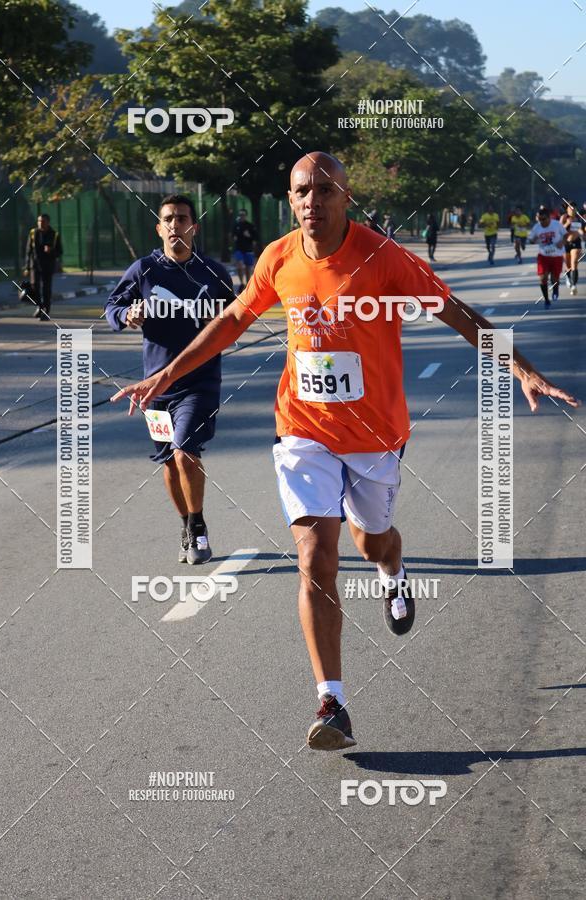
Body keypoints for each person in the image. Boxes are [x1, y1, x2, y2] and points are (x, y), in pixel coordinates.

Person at [112, 153, 578, 751]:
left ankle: (393, 570)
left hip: (376, 434)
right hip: (302, 429)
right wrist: (166, 375)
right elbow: (231, 321)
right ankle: (332, 700)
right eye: (302, 191)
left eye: (324, 190)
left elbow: (454, 311)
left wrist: (519, 366)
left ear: (345, 197)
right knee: (316, 552)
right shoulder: (278, 257)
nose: (312, 201)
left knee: (372, 537)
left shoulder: (384, 258)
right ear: (291, 199)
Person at [105, 194, 234, 564]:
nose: (175, 225)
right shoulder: (145, 269)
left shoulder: (213, 273)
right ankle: (187, 524)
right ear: (159, 228)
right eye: (169, 219)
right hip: (156, 388)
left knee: (184, 451)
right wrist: (127, 314)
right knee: (168, 462)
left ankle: (198, 527)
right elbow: (112, 306)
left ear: (193, 226)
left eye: (182, 218)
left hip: (200, 383)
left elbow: (234, 315)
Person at [24, 213, 63, 320]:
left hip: (48, 266)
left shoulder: (54, 234)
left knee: (46, 289)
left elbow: (59, 252)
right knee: (34, 288)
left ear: (48, 222)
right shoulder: (33, 233)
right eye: (39, 221)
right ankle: (40, 307)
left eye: (43, 221)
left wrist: (51, 251)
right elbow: (28, 251)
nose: (40, 223)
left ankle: (46, 311)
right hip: (35, 265)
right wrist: (27, 267)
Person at [528, 206, 566, 307]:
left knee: (554, 279)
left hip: (556, 255)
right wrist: (533, 239)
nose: (541, 221)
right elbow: (531, 240)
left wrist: (562, 242)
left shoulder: (556, 224)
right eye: (539, 219)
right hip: (543, 256)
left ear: (549, 218)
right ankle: (546, 300)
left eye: (543, 219)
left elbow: (566, 235)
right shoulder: (537, 227)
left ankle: (555, 290)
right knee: (543, 278)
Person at [560, 201, 585, 296]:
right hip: (565, 243)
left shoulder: (579, 218)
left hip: (576, 243)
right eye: (570, 208)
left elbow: (582, 230)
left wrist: (582, 233)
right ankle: (568, 277)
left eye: (574, 208)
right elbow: (559, 230)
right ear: (567, 209)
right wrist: (566, 224)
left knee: (574, 263)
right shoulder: (564, 217)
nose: (573, 209)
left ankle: (574, 285)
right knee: (568, 266)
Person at [232, 208, 258, 291]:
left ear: (246, 216)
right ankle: (241, 283)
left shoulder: (250, 226)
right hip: (238, 249)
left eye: (243, 215)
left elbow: (255, 238)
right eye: (240, 215)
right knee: (240, 265)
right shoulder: (236, 225)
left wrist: (249, 236)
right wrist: (234, 238)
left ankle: (247, 285)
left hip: (248, 249)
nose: (241, 216)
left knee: (248, 268)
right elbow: (232, 236)